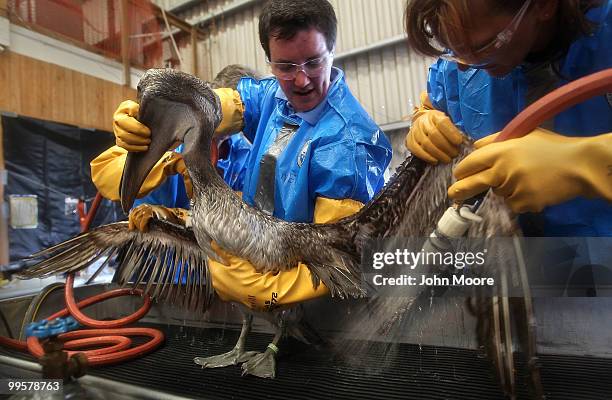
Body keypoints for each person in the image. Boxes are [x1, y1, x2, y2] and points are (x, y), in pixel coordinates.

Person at [90, 0, 392, 310]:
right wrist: (150, 122)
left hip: (309, 304)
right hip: (253, 259)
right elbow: (206, 108)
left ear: (333, 50)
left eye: (314, 62)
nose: (301, 81)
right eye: (285, 67)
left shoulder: (349, 146)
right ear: (269, 61)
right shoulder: (271, 96)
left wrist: (266, 291)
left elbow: (340, 256)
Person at [403, 0, 612, 236]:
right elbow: (436, 99)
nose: (464, 66)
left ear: (544, 6)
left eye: (484, 47)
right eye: (454, 52)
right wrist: (424, 119)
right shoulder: (468, 61)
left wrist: (586, 162)